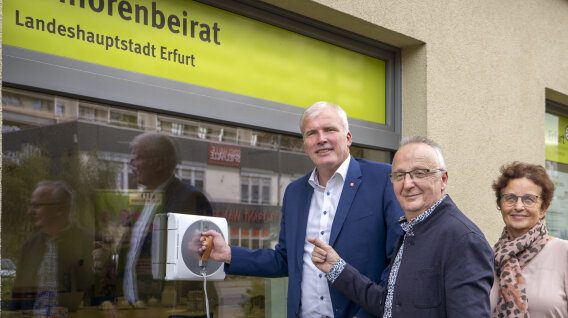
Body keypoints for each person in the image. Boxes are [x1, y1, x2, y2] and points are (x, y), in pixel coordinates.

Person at [200, 102, 404, 318]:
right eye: (312, 133)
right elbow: (285, 260)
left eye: (329, 130)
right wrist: (228, 253)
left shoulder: (383, 179)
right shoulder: (295, 192)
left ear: (348, 138)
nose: (321, 138)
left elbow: (399, 261)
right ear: (306, 145)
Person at [308, 136, 494, 317]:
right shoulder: (412, 230)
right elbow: (388, 304)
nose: (407, 184)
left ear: (443, 179)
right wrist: (336, 267)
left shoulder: (463, 239)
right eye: (399, 175)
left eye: (420, 173)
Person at [490, 162, 568, 318]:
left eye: (529, 199)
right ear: (500, 204)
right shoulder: (490, 258)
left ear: (543, 208)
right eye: (510, 198)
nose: (519, 206)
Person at [121, 132, 212, 305]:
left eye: (138, 157)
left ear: (159, 164)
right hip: (136, 308)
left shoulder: (189, 198)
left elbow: (202, 260)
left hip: (168, 308)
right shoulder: (142, 201)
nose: (132, 164)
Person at [12, 181, 95, 314]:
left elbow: (98, 297)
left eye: (37, 206)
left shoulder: (89, 243)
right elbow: (17, 299)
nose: (30, 211)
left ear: (59, 209)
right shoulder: (29, 247)